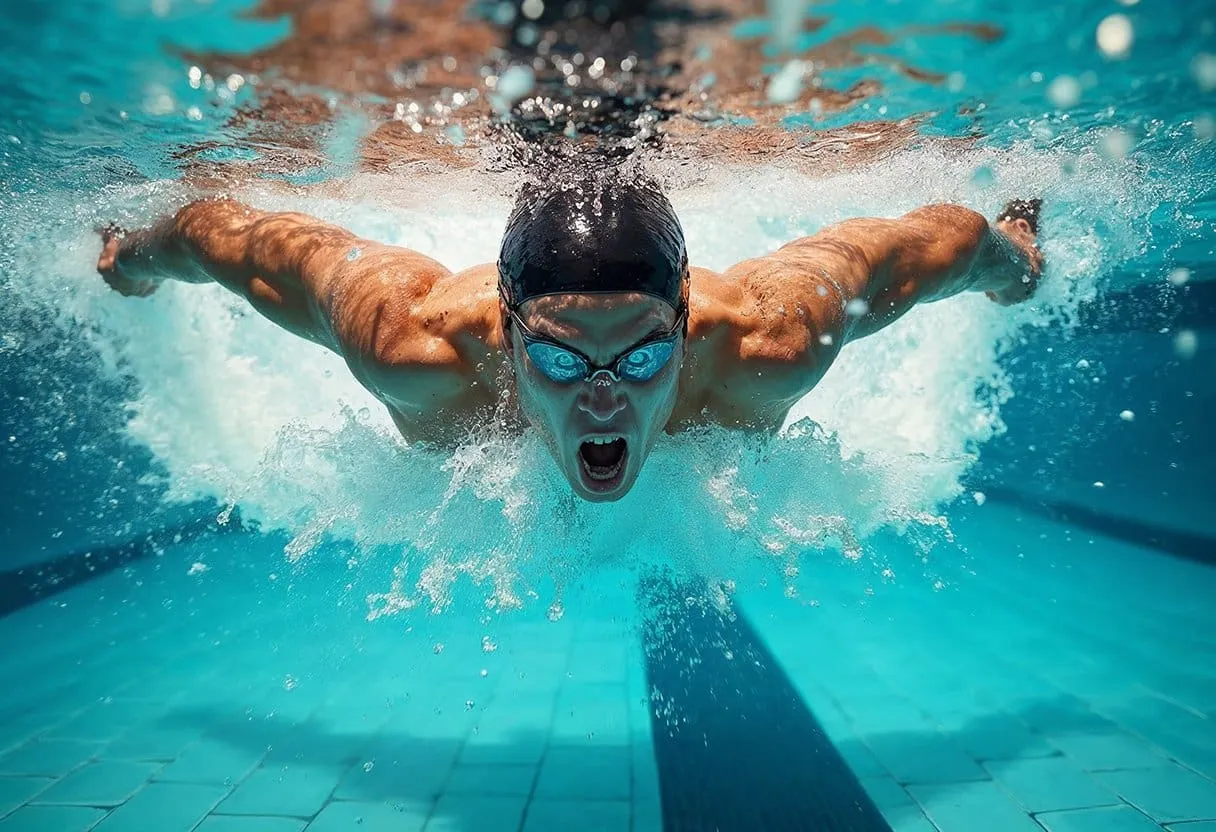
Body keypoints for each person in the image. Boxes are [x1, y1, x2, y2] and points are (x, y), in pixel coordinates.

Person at [95, 178, 1043, 502]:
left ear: (685, 326)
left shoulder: (766, 341)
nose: (604, 398)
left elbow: (933, 246)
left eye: (641, 356)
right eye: (557, 355)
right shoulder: (412, 347)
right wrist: (133, 256)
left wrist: (1015, 261)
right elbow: (234, 243)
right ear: (505, 336)